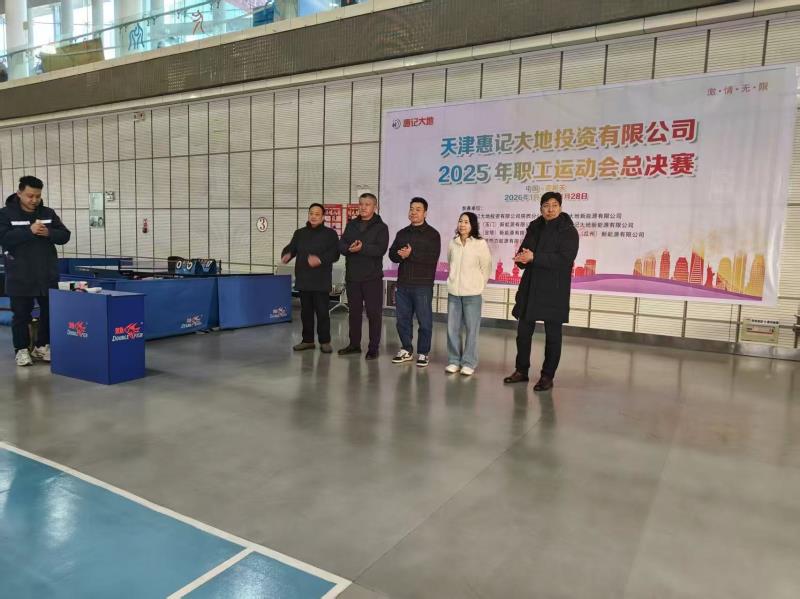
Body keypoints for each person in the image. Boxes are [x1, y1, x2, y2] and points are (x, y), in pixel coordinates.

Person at [504, 192, 579, 391]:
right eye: (546, 205)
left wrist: (534, 258)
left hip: (554, 289)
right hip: (531, 287)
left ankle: (547, 376)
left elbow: (564, 259)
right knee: (523, 332)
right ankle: (521, 370)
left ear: (560, 207)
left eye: (554, 205)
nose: (550, 209)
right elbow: (525, 251)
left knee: (553, 336)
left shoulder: (568, 231)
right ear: (541, 208)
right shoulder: (535, 227)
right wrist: (521, 259)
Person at [0, 176, 72, 366]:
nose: (34, 200)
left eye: (38, 196)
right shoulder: (5, 214)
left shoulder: (48, 213)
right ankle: (21, 349)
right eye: (30, 196)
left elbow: (65, 235)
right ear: (19, 193)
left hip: (46, 274)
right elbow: (4, 238)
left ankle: (42, 346)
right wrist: (29, 231)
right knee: (21, 315)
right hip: (19, 275)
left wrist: (49, 233)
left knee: (49, 313)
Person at [388, 197, 441, 367]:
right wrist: (400, 255)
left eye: (418, 209)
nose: (413, 212)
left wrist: (411, 254)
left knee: (424, 321)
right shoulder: (402, 233)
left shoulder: (433, 234)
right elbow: (392, 254)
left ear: (425, 213)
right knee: (402, 320)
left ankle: (423, 353)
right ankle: (406, 349)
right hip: (403, 283)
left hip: (423, 285)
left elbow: (432, 258)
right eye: (411, 209)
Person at [281, 203, 340, 353]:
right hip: (304, 279)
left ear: (323, 217)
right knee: (305, 313)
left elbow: (335, 254)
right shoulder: (300, 233)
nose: (313, 216)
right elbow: (291, 248)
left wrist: (320, 259)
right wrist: (287, 255)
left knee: (322, 313)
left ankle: (325, 341)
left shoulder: (330, 234)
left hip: (321, 280)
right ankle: (307, 340)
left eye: (317, 214)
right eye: (311, 213)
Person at [337, 193, 389, 360]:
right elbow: (341, 244)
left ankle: (373, 348)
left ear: (375, 207)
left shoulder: (381, 227)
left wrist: (362, 248)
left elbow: (380, 249)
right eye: (361, 204)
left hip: (372, 278)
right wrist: (348, 249)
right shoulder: (351, 225)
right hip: (353, 276)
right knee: (354, 313)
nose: (363, 207)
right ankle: (354, 345)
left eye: (367, 204)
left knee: (374, 314)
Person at [445, 212, 492, 376]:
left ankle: (469, 362)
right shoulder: (453, 242)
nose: (462, 224)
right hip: (454, 293)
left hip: (472, 294)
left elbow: (486, 267)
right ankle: (454, 360)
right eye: (460, 221)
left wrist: (479, 285)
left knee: (472, 330)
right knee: (452, 329)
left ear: (473, 225)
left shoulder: (480, 243)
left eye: (466, 222)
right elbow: (450, 262)